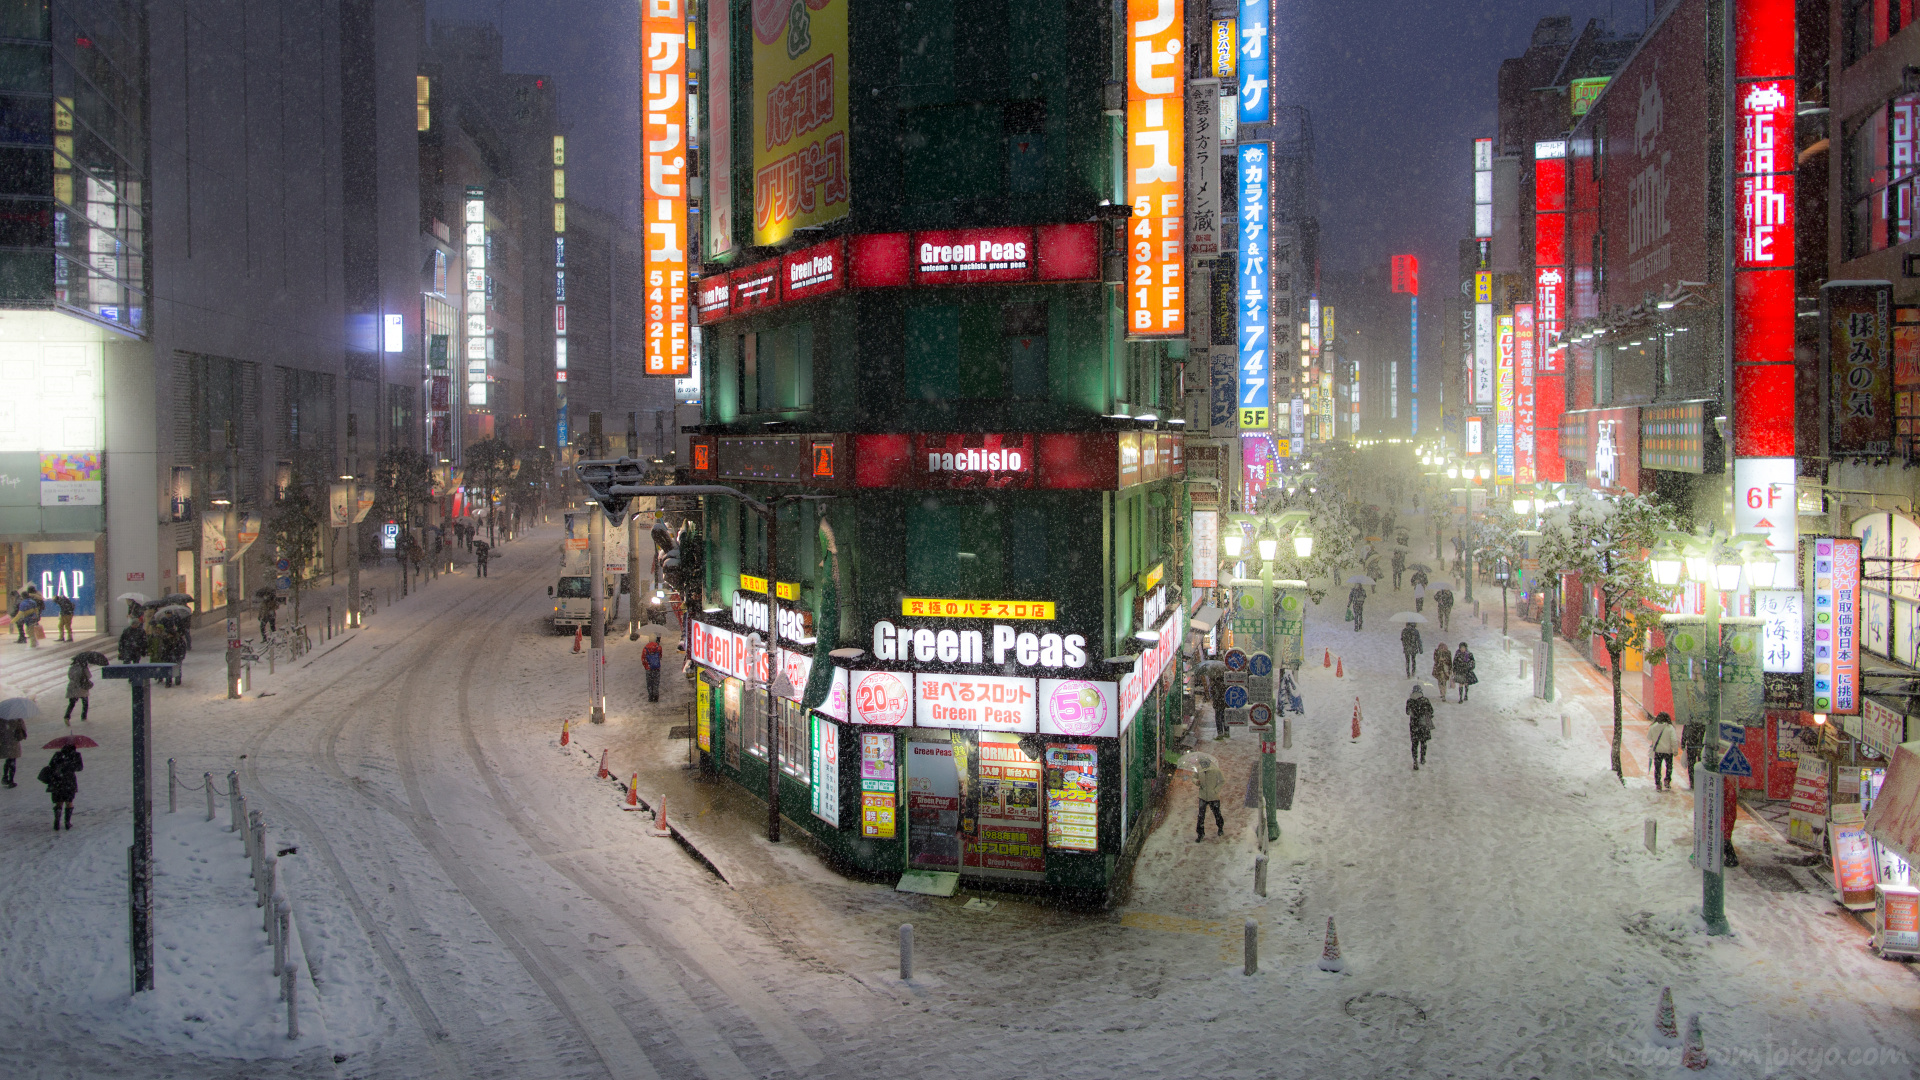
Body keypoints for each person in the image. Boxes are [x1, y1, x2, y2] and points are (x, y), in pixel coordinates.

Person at [38, 743, 82, 830]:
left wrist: (60, 766)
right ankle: (67, 822)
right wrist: (70, 766)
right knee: (69, 801)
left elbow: (51, 765)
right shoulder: (76, 755)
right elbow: (80, 767)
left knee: (59, 801)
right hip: (69, 781)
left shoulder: (58, 754)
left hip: (57, 781)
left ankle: (57, 821)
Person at [1194, 758, 1227, 840]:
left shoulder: (1215, 770)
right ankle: (1200, 834)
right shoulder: (1198, 770)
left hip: (1213, 797)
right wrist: (1196, 781)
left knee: (1217, 813)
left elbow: (1222, 781)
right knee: (1201, 816)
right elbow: (1193, 778)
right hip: (1203, 796)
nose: (1202, 765)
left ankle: (1220, 828)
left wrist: (1215, 790)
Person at [1648, 711, 1679, 791]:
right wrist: (1675, 750)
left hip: (1658, 751)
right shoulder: (1670, 728)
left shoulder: (1653, 727)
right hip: (1668, 751)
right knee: (1669, 766)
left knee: (1657, 768)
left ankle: (1658, 784)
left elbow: (1648, 737)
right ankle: (1667, 780)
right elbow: (1674, 740)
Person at [1406, 685, 1435, 770]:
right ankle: (1422, 758)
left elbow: (1407, 712)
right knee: (1423, 742)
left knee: (1414, 743)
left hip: (1414, 724)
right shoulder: (1425, 700)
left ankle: (1415, 760)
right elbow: (1431, 710)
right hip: (1423, 724)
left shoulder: (1409, 701)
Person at [1680, 716, 1706, 788]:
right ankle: (1700, 781)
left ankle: (1692, 782)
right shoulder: (1703, 721)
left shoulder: (1689, 722)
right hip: (1700, 746)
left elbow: (1684, 733)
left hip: (1691, 746)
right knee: (1701, 764)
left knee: (1691, 765)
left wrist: (1683, 743)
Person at [0, 711, 23, 788]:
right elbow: (22, 729)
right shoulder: (17, 717)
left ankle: (5, 776)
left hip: (4, 741)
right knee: (12, 760)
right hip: (14, 741)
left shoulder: (2, 717)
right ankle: (11, 780)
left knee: (8, 759)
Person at [64, 657, 91, 721]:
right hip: (81, 687)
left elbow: (70, 676)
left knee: (72, 703)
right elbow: (89, 676)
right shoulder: (84, 668)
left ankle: (67, 716)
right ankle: (84, 717)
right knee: (85, 703)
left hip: (72, 687)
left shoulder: (72, 668)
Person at [642, 636, 664, 702]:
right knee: (656, 682)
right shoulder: (658, 647)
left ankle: (650, 696)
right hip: (656, 667)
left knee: (649, 683)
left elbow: (643, 659)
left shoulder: (645, 648)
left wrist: (646, 666)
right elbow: (660, 656)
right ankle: (656, 696)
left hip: (648, 668)